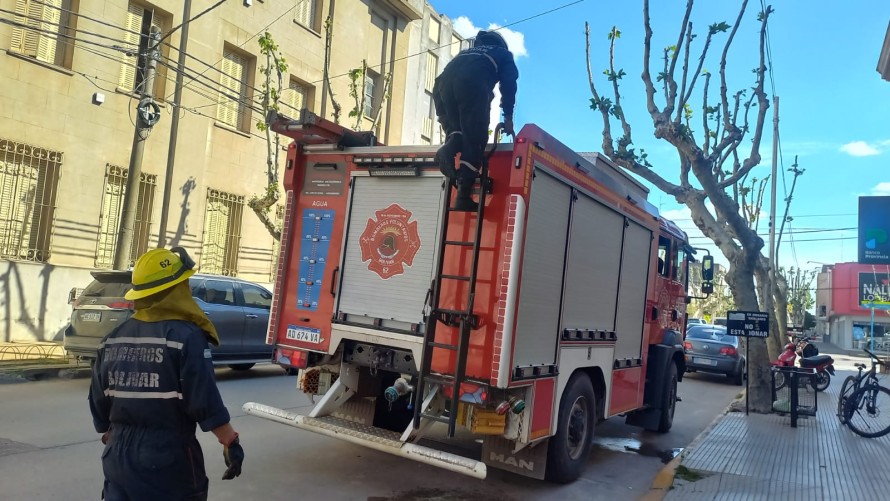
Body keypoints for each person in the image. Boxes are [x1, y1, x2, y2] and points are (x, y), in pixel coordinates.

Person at [88, 247, 244, 501]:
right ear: (175, 290)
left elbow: (98, 403)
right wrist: (230, 441)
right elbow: (203, 401)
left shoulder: (112, 340)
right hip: (169, 458)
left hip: (118, 459)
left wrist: (115, 435)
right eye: (185, 284)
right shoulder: (186, 337)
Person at [432, 29, 519, 211]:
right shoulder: (503, 54)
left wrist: (447, 124)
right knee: (475, 137)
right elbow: (509, 85)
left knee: (458, 132)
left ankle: (449, 147)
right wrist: (508, 117)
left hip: (443, 87)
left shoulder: (464, 54)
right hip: (472, 84)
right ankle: (463, 196)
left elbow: (438, 82)